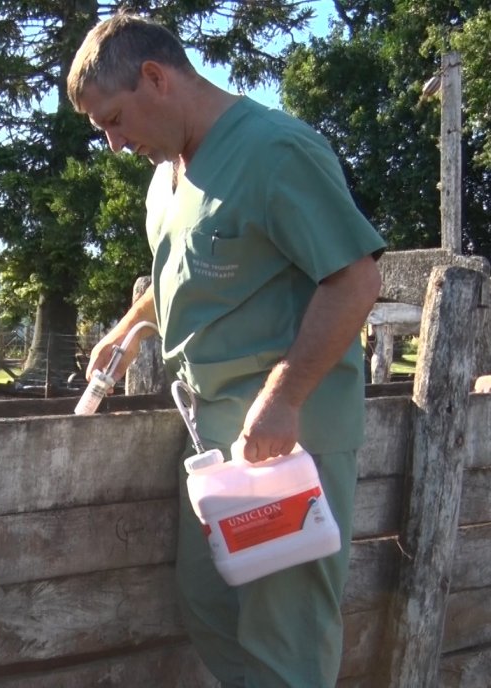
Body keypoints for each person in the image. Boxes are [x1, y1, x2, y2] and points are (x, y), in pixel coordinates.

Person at [67, 13, 386, 688]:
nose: (116, 144)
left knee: (284, 640)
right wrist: (132, 326)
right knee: (209, 608)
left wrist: (283, 398)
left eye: (116, 121)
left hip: (287, 448)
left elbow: (354, 278)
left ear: (156, 78)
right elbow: (186, 271)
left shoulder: (276, 151)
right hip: (214, 447)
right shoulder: (166, 180)